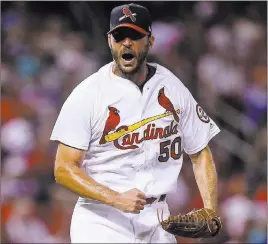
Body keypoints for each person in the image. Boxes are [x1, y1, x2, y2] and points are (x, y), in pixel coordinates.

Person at [50, 3, 221, 243]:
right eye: (119, 36)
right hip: (102, 219)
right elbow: (63, 168)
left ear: (150, 42)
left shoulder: (171, 86)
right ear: (110, 42)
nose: (126, 43)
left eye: (135, 36)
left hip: (159, 218)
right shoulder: (88, 94)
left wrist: (210, 208)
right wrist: (114, 197)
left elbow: (200, 152)